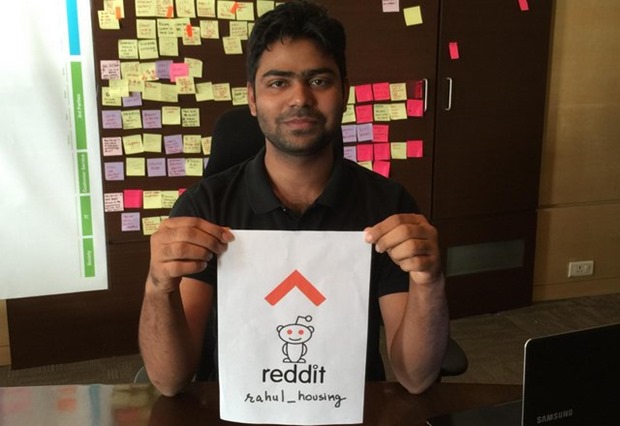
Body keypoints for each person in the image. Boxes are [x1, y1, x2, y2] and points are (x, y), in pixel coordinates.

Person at [139, 0, 449, 397]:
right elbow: (168, 380)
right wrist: (157, 287)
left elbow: (415, 377)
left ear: (344, 92)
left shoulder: (388, 207)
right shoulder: (205, 208)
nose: (300, 98)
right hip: (237, 411)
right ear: (252, 98)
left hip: (345, 410)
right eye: (278, 82)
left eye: (319, 81)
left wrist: (430, 282)